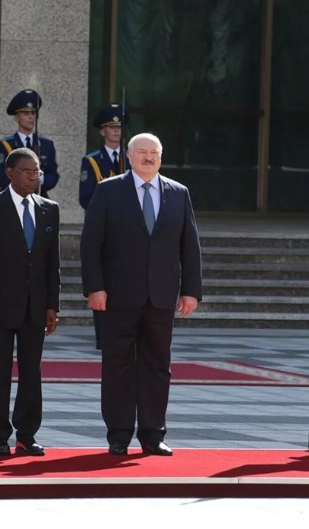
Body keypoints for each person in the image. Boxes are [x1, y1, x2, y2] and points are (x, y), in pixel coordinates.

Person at [80, 132, 202, 457]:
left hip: (161, 297)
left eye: (154, 153)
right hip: (117, 296)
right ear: (129, 156)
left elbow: (189, 246)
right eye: (142, 152)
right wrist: (94, 287)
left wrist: (191, 291)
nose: (148, 158)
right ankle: (119, 435)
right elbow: (91, 243)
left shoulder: (179, 193)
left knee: (158, 366)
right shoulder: (108, 191)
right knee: (117, 365)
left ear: (161, 157)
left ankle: (153, 434)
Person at [0, 147, 61, 457]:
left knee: (31, 373)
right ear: (10, 173)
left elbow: (52, 263)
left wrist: (52, 305)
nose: (34, 177)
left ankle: (27, 434)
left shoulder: (49, 209)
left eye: (37, 172)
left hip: (35, 307)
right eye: (28, 171)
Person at [79, 102, 130, 350]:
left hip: (129, 231)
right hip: (104, 230)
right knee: (102, 283)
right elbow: (85, 197)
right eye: (111, 127)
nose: (116, 131)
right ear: (102, 131)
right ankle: (103, 337)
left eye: (119, 127)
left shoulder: (132, 160)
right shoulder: (92, 161)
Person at [0, 89, 59, 198]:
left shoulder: (46, 144)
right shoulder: (6, 145)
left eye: (33, 113)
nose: (31, 117)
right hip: (13, 200)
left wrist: (40, 179)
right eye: (26, 113)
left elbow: (53, 175)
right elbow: (2, 177)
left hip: (39, 199)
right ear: (16, 117)